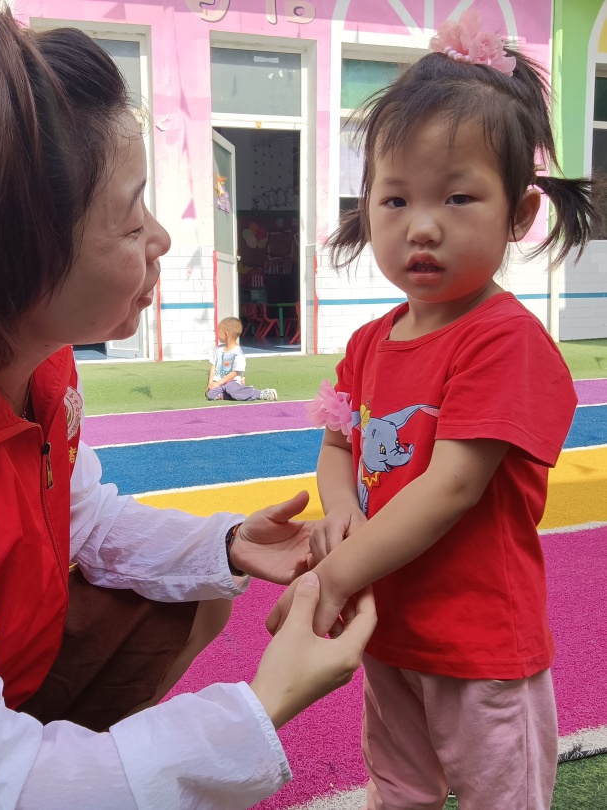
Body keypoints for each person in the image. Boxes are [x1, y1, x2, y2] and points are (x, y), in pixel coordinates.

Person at [0, 10, 377, 810]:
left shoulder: (26, 349)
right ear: (14, 256)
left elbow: (80, 518)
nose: (160, 240)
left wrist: (227, 544)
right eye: (131, 217)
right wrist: (261, 706)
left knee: (194, 589)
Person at [268, 11, 603, 810]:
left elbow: (452, 486)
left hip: (480, 644)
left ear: (519, 215)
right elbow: (340, 445)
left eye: (458, 197)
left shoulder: (504, 341)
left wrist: (332, 577)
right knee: (399, 789)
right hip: (391, 629)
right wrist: (341, 510)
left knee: (500, 795)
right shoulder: (368, 343)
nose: (422, 225)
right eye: (395, 199)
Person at [206, 316, 278, 401]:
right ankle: (235, 394)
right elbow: (213, 366)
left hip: (232, 382)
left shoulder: (238, 352)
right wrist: (211, 383)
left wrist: (218, 383)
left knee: (230, 387)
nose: (217, 333)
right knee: (210, 394)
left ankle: (259, 393)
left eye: (218, 331)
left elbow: (235, 372)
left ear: (226, 334)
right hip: (221, 384)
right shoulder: (218, 350)